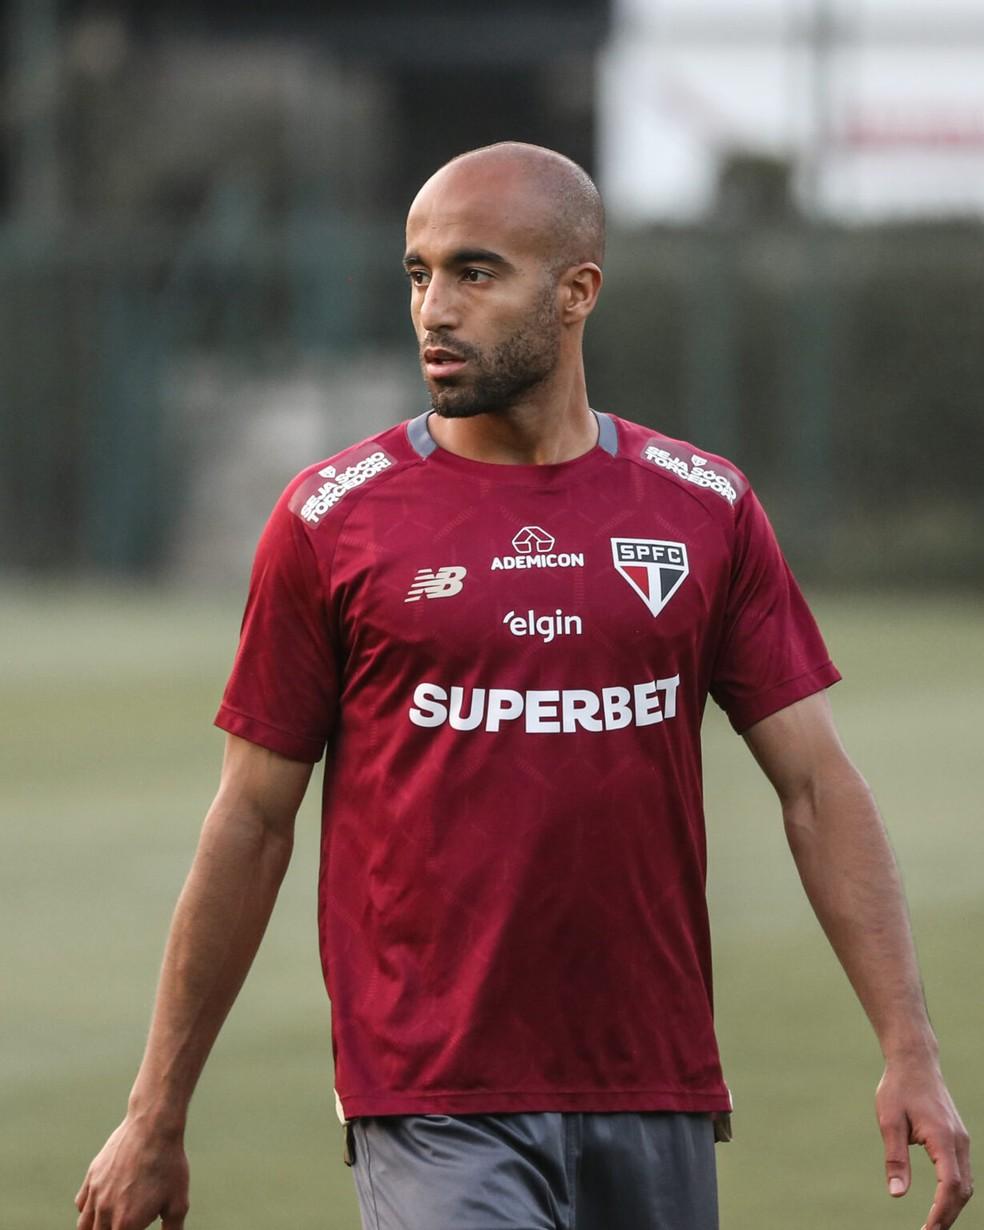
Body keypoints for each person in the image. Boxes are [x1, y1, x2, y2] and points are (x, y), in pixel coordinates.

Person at [76, 142, 972, 1230]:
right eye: (417, 274)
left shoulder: (704, 509)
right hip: (434, 1101)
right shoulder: (331, 519)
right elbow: (252, 823)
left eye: (475, 272)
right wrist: (155, 1112)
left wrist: (910, 1049)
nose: (434, 310)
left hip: (657, 1091)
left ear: (577, 291)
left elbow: (818, 789)